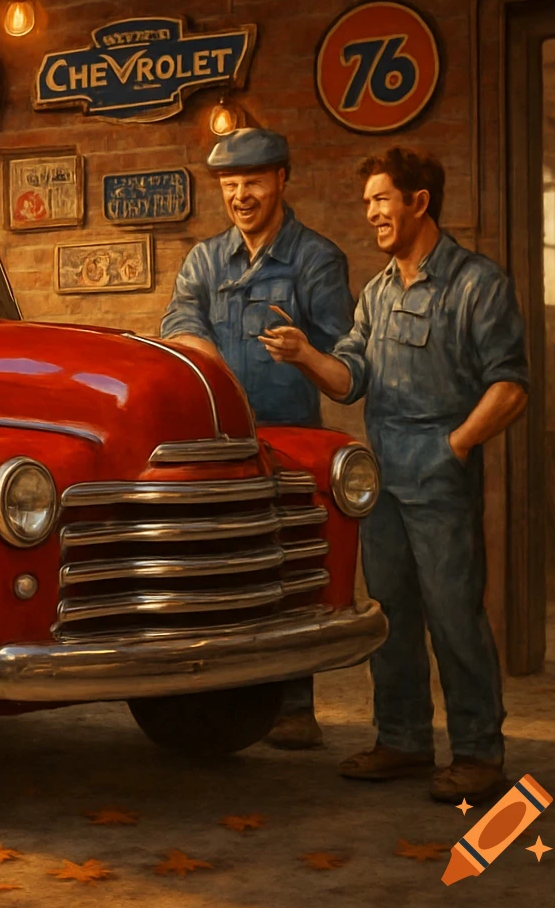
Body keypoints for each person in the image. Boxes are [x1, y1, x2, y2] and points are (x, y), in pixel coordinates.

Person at [260, 147, 528, 803]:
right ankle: (404, 739)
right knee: (392, 616)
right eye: (368, 202)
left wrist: (456, 446)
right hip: (382, 472)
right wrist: (302, 356)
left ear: (418, 202)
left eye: (381, 199)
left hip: (438, 469)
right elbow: (350, 380)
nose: (371, 212)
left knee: (454, 616)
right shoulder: (378, 294)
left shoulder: (476, 284)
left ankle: (478, 754)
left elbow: (510, 387)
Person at [159, 127, 354, 750]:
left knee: (289, 567)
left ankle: (295, 705)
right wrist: (202, 351)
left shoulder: (316, 259)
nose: (241, 195)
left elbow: (345, 350)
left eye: (253, 181)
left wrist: (304, 352)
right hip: (219, 441)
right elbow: (180, 319)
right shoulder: (204, 260)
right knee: (220, 565)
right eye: (230, 184)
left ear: (281, 180)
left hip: (291, 439)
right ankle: (216, 698)